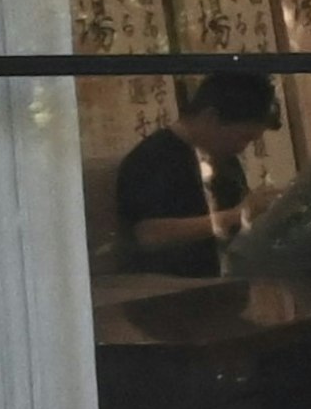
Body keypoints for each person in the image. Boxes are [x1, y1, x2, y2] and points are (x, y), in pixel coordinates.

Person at [113, 72, 282, 277]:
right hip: (172, 292)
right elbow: (148, 235)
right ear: (210, 117)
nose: (242, 147)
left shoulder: (223, 158)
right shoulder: (152, 157)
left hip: (225, 286)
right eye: (244, 137)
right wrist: (239, 215)